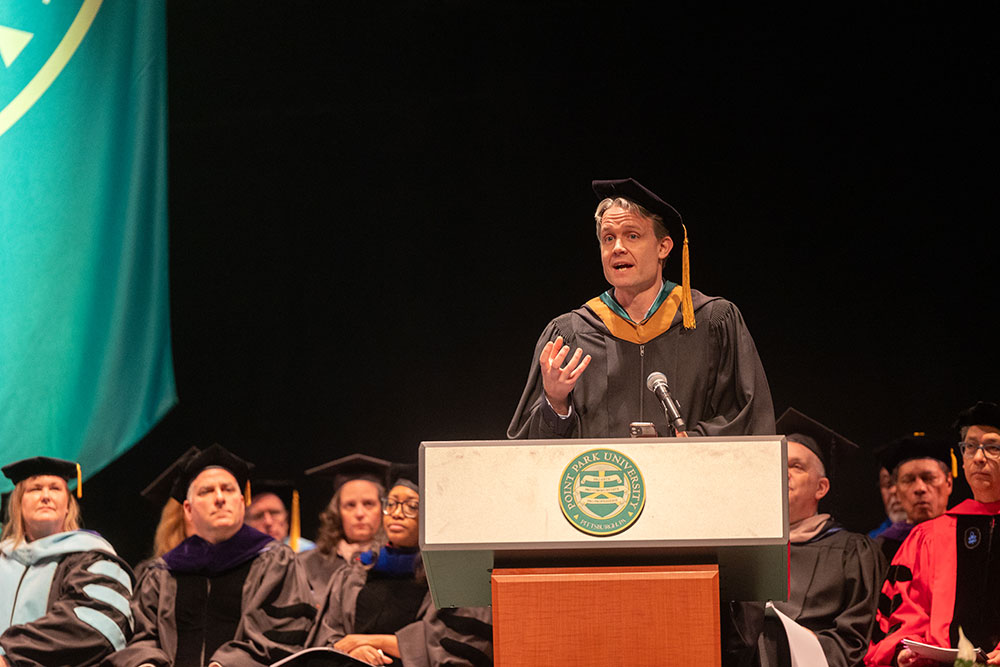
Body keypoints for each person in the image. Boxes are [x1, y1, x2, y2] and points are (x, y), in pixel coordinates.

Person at [508, 177, 774, 440]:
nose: (617, 248)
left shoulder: (711, 322)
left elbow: (747, 421)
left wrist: (687, 444)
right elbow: (528, 456)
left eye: (632, 236)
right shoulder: (569, 335)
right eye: (608, 238)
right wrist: (555, 403)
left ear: (663, 246)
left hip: (689, 480)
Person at [107, 443, 316, 667]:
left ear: (242, 500)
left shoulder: (275, 561)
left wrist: (227, 664)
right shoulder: (162, 573)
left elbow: (282, 634)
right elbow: (143, 636)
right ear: (188, 510)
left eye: (228, 489)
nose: (219, 498)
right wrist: (145, 662)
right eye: (206, 491)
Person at [310, 464, 493, 666]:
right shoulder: (355, 573)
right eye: (392, 504)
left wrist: (369, 641)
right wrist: (356, 651)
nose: (397, 513)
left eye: (411, 506)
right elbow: (330, 637)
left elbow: (455, 646)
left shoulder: (454, 579)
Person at [866, 401, 1000, 666]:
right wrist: (904, 650)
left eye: (993, 447)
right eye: (970, 447)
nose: (979, 457)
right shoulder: (927, 537)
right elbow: (906, 614)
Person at [751, 408, 886, 667]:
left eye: (796, 466)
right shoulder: (749, 549)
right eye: (777, 465)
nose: (784, 473)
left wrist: (793, 645)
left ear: (821, 487)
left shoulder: (853, 551)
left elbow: (855, 640)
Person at [0, 456, 135, 666]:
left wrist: (10, 656)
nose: (45, 496)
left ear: (68, 506)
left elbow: (97, 626)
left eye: (55, 488)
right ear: (18, 504)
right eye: (35, 489)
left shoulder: (91, 557)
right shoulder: (3, 559)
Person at [299, 453, 390, 600]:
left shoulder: (401, 564)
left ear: (384, 509)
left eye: (368, 504)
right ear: (337, 512)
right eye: (350, 505)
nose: (359, 513)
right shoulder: (306, 564)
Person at [873, 434, 954, 563]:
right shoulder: (880, 550)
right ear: (896, 491)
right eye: (908, 480)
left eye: (929, 478)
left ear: (948, 483)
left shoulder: (965, 537)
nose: (920, 488)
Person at [246, 479, 316, 553]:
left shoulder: (308, 553)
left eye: (274, 513)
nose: (268, 522)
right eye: (258, 516)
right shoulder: (241, 558)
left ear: (287, 519)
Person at [867, 442, 908, 539]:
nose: (893, 490)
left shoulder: (945, 534)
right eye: (887, 484)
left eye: (904, 481)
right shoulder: (873, 542)